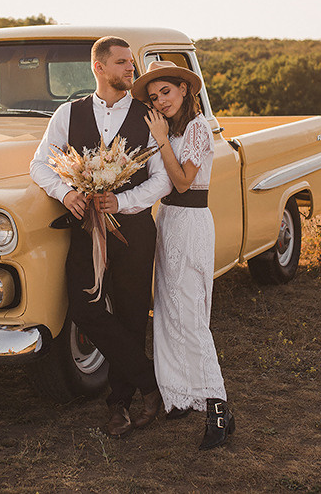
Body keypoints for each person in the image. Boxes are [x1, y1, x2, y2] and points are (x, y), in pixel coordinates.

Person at [29, 36, 171, 438]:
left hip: (134, 231)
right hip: (85, 229)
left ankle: (120, 405)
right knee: (85, 308)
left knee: (131, 314)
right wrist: (66, 193)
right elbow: (39, 165)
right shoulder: (68, 113)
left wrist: (122, 201)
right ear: (100, 67)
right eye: (123, 62)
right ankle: (150, 382)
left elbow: (162, 179)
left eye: (131, 62)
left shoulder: (148, 116)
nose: (131, 68)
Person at [130, 60, 235, 450]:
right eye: (154, 97)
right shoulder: (171, 130)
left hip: (191, 223)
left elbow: (183, 181)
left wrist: (160, 140)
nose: (161, 101)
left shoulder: (197, 128)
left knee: (190, 315)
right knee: (168, 311)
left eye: (166, 91)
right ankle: (179, 395)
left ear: (184, 89)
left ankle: (218, 407)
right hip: (168, 220)